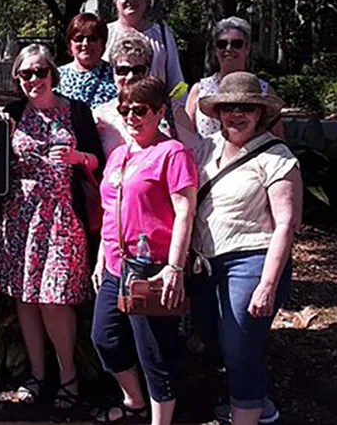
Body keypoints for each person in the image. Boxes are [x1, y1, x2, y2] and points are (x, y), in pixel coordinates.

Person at [0, 44, 102, 409]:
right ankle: (36, 374)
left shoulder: (76, 112)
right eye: (25, 74)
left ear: (52, 73)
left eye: (40, 71)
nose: (34, 79)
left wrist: (77, 156)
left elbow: (100, 160)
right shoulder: (13, 114)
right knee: (26, 298)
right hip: (20, 217)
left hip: (62, 216)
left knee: (54, 299)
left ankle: (68, 376)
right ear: (17, 80)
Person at [190, 72, 302, 425]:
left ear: (259, 112)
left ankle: (248, 416)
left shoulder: (276, 156)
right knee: (216, 340)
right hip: (207, 264)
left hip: (252, 260)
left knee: (239, 347)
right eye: (228, 107)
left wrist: (267, 284)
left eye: (246, 108)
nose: (236, 114)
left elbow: (286, 224)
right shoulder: (206, 149)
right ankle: (254, 403)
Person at [91, 76, 198, 425]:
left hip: (152, 266)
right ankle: (134, 401)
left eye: (140, 110)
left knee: (154, 352)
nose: (131, 117)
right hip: (115, 267)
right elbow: (110, 210)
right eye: (125, 110)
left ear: (160, 111)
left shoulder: (173, 153)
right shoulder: (119, 154)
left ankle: (160, 419)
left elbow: (185, 211)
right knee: (104, 338)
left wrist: (175, 267)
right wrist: (100, 259)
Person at [94, 35, 196, 156]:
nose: (130, 76)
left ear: (148, 71)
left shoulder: (171, 110)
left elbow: (193, 151)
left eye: (138, 70)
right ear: (113, 72)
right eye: (123, 70)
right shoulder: (100, 114)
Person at [185, 17, 284, 138]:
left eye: (236, 44)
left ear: (247, 48)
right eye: (222, 44)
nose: (228, 49)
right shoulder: (200, 89)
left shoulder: (263, 89)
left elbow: (277, 137)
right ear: (215, 50)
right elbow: (186, 133)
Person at [103, 0, 185, 92]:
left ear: (146, 0)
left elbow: (177, 79)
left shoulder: (162, 33)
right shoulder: (105, 33)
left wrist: (179, 106)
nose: (131, 0)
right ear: (116, 1)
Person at [56, 12, 118, 108]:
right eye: (79, 38)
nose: (85, 44)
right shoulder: (57, 76)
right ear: (69, 44)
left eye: (92, 38)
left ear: (103, 43)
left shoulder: (117, 74)